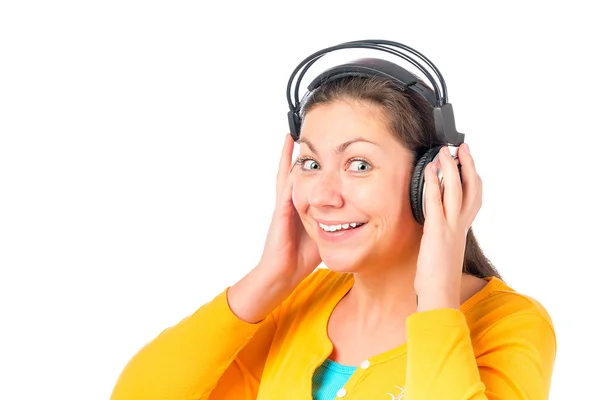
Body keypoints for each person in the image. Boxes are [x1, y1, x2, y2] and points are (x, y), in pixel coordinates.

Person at [110, 41, 556, 400]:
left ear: (431, 179)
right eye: (309, 164)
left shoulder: (510, 324)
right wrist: (271, 277)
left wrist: (436, 297)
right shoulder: (296, 304)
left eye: (358, 164)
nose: (322, 196)